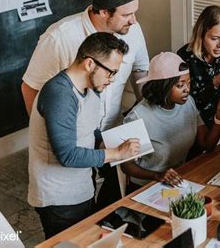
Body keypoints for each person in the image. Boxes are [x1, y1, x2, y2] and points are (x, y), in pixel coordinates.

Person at [22, 0, 149, 208]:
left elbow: (141, 72)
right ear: (104, 12)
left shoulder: (133, 31)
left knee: (110, 202)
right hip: (71, 144)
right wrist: (56, 132)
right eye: (126, 15)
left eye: (135, 13)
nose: (134, 21)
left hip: (109, 133)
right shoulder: (60, 38)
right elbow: (30, 88)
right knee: (71, 209)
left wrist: (147, 117)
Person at [28, 33, 141, 239]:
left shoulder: (92, 89)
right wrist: (115, 153)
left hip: (82, 189)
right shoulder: (60, 94)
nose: (112, 79)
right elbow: (67, 155)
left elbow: (90, 130)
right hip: (58, 199)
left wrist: (113, 143)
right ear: (90, 63)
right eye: (110, 72)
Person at [120, 52, 220, 194]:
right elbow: (127, 166)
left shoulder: (187, 103)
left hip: (178, 180)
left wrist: (219, 117)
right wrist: (157, 175)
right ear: (163, 86)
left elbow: (207, 145)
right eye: (180, 85)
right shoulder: (138, 117)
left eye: (189, 83)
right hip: (147, 187)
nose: (187, 90)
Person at [177, 5, 220, 157]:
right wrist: (214, 82)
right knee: (197, 164)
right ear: (201, 35)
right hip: (196, 121)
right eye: (214, 38)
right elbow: (191, 104)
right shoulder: (185, 57)